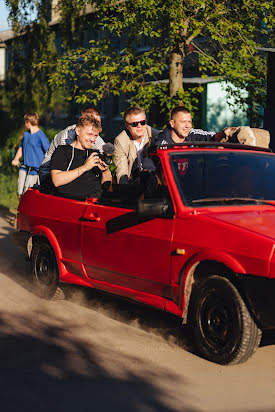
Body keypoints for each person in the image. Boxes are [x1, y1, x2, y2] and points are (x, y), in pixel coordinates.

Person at [50, 115, 112, 200]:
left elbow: (108, 189)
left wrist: (105, 170)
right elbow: (56, 181)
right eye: (89, 134)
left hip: (96, 202)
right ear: (78, 131)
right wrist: (85, 167)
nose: (93, 139)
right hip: (73, 202)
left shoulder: (95, 154)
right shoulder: (62, 151)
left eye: (95, 136)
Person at [39, 107, 105, 185]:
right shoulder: (66, 136)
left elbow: (103, 150)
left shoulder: (94, 136)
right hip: (49, 172)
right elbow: (67, 162)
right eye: (92, 120)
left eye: (98, 123)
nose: (96, 125)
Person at [113, 106, 159, 184]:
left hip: (154, 181)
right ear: (127, 126)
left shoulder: (156, 136)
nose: (139, 126)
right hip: (133, 181)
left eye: (142, 122)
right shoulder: (120, 141)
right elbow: (122, 170)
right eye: (134, 124)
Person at [11, 112, 50, 199]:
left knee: (28, 195)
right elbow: (21, 147)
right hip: (24, 168)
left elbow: (49, 152)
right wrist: (16, 158)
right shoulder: (26, 134)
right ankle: (20, 211)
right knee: (20, 194)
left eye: (25, 122)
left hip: (34, 171)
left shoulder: (41, 136)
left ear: (28, 122)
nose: (25, 124)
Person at [156, 106, 233, 145]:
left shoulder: (192, 134)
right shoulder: (162, 144)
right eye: (183, 122)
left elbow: (212, 137)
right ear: (172, 123)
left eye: (189, 122)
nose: (187, 126)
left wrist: (224, 133)